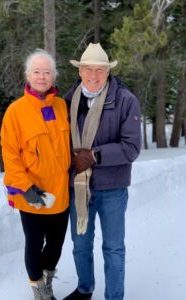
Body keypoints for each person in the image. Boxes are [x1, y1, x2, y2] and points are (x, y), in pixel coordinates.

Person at [63, 43, 141, 300]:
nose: (94, 76)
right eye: (88, 69)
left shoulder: (125, 100)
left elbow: (131, 148)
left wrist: (95, 156)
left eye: (100, 70)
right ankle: (85, 288)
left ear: (108, 72)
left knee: (113, 248)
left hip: (112, 189)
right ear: (80, 71)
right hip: (79, 188)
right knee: (80, 246)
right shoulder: (68, 101)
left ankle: (114, 296)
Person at [0, 49, 71, 300]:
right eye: (37, 71)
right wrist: (26, 187)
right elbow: (10, 155)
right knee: (34, 245)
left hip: (60, 193)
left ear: (54, 76)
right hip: (32, 195)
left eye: (47, 72)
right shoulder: (15, 111)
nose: (42, 76)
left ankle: (48, 280)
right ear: (28, 75)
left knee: (55, 246)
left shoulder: (63, 106)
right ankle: (39, 291)